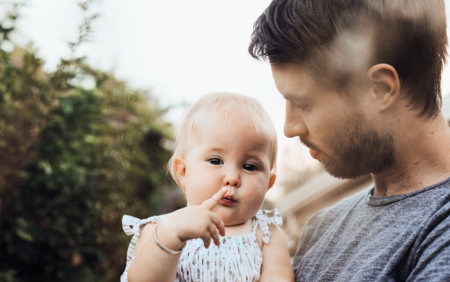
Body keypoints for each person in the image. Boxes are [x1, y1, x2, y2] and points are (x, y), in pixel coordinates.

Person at [249, 0, 450, 281]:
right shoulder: (321, 226)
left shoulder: (440, 225)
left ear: (379, 89)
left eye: (303, 103)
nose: (289, 128)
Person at [120, 93, 294, 282]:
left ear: (268, 183)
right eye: (215, 161)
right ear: (183, 171)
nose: (232, 178)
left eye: (249, 166)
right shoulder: (159, 229)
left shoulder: (266, 234)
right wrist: (171, 235)